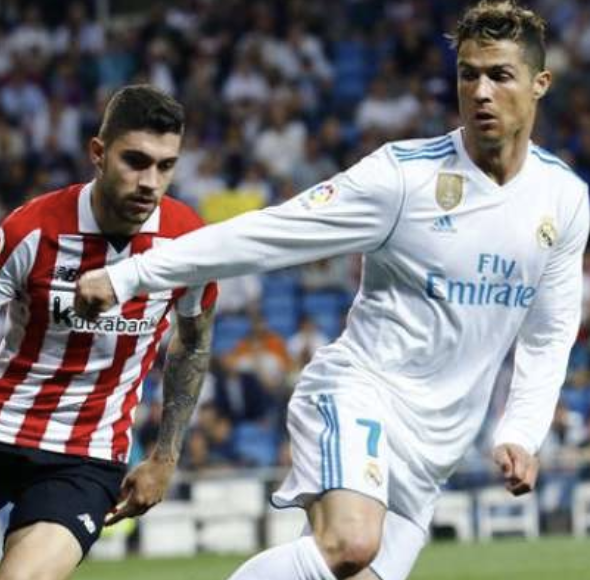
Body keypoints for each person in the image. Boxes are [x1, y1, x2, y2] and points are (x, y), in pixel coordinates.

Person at [75, 2, 589, 579]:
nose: (481, 92)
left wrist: (521, 431)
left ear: (541, 83)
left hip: (435, 450)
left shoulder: (564, 200)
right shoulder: (404, 178)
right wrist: (131, 275)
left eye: (500, 75)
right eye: (468, 74)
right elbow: (270, 233)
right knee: (350, 543)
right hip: (361, 393)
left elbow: (550, 331)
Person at [0, 84, 217, 580]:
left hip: (85, 456)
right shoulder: (29, 230)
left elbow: (193, 343)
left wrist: (165, 456)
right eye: (135, 161)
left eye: (165, 166)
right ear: (98, 153)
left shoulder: (186, 243)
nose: (150, 182)